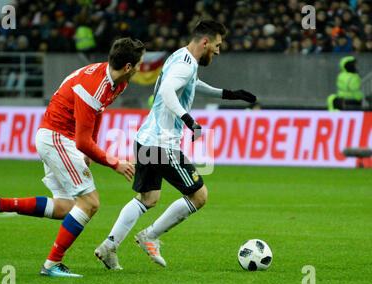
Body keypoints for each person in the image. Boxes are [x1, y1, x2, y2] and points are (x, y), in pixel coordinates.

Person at [0, 37, 145, 278]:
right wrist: (114, 162)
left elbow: (98, 113)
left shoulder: (115, 82)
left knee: (64, 207)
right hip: (57, 138)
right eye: (138, 64)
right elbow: (83, 139)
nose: (139, 69)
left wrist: (88, 148)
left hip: (58, 138)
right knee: (90, 203)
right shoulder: (95, 85)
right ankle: (51, 265)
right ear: (128, 67)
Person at [93, 20, 256, 270]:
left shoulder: (180, 57)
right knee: (199, 196)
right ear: (205, 42)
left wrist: (228, 94)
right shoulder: (184, 63)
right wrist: (190, 121)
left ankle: (109, 246)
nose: (219, 51)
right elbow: (169, 91)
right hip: (162, 145)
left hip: (145, 139)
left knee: (147, 198)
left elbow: (191, 85)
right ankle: (150, 236)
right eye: (218, 45)